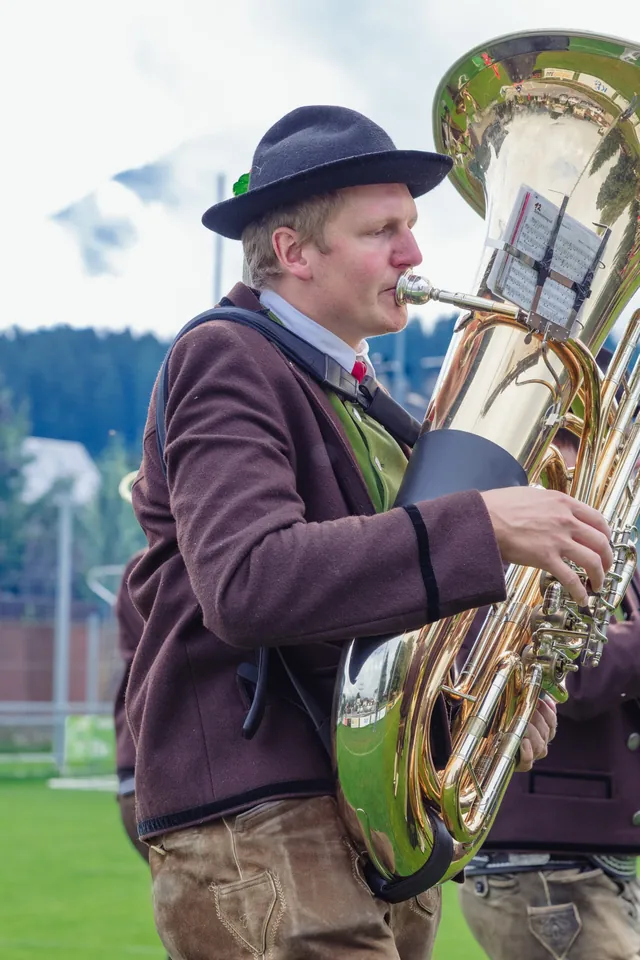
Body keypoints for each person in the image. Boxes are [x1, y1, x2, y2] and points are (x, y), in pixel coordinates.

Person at [126, 104, 612, 960]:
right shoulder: (226, 357)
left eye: (413, 227)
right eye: (382, 230)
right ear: (294, 252)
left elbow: (373, 610)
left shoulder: (358, 396)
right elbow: (247, 582)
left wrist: (480, 709)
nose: (414, 255)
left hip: (353, 818)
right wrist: (481, 523)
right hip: (263, 814)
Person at [459, 425, 640, 960]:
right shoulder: (521, 535)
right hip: (542, 868)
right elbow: (560, 670)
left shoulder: (602, 538)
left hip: (583, 863)